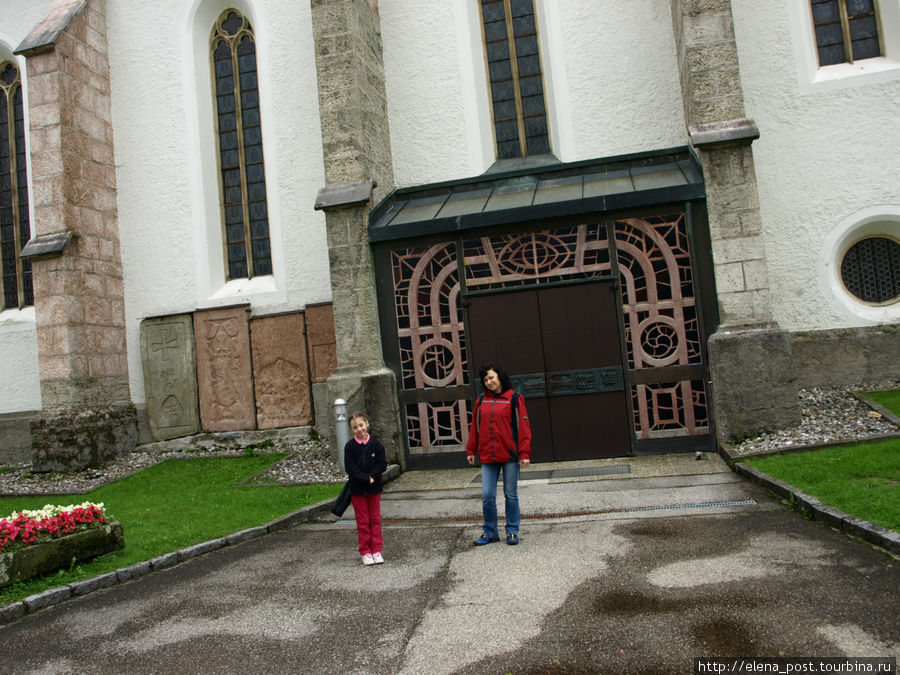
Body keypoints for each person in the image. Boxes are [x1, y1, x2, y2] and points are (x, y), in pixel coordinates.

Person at [466, 363, 532, 546]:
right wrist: (471, 450)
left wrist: (524, 453)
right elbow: (475, 428)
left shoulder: (514, 399)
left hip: (509, 455)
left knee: (510, 494)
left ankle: (512, 531)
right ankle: (490, 532)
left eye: (491, 378)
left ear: (500, 378)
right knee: (487, 495)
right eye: (486, 380)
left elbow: (523, 428)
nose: (489, 382)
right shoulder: (481, 401)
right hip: (488, 456)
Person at [344, 411, 388, 566]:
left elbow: (382, 463)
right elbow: (350, 467)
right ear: (352, 429)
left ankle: (376, 550)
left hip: (374, 488)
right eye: (355, 427)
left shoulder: (377, 445)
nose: (359, 429)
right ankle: (365, 552)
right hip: (357, 490)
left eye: (361, 425)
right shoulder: (350, 447)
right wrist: (364, 478)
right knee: (363, 521)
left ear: (367, 424)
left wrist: (373, 476)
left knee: (375, 519)